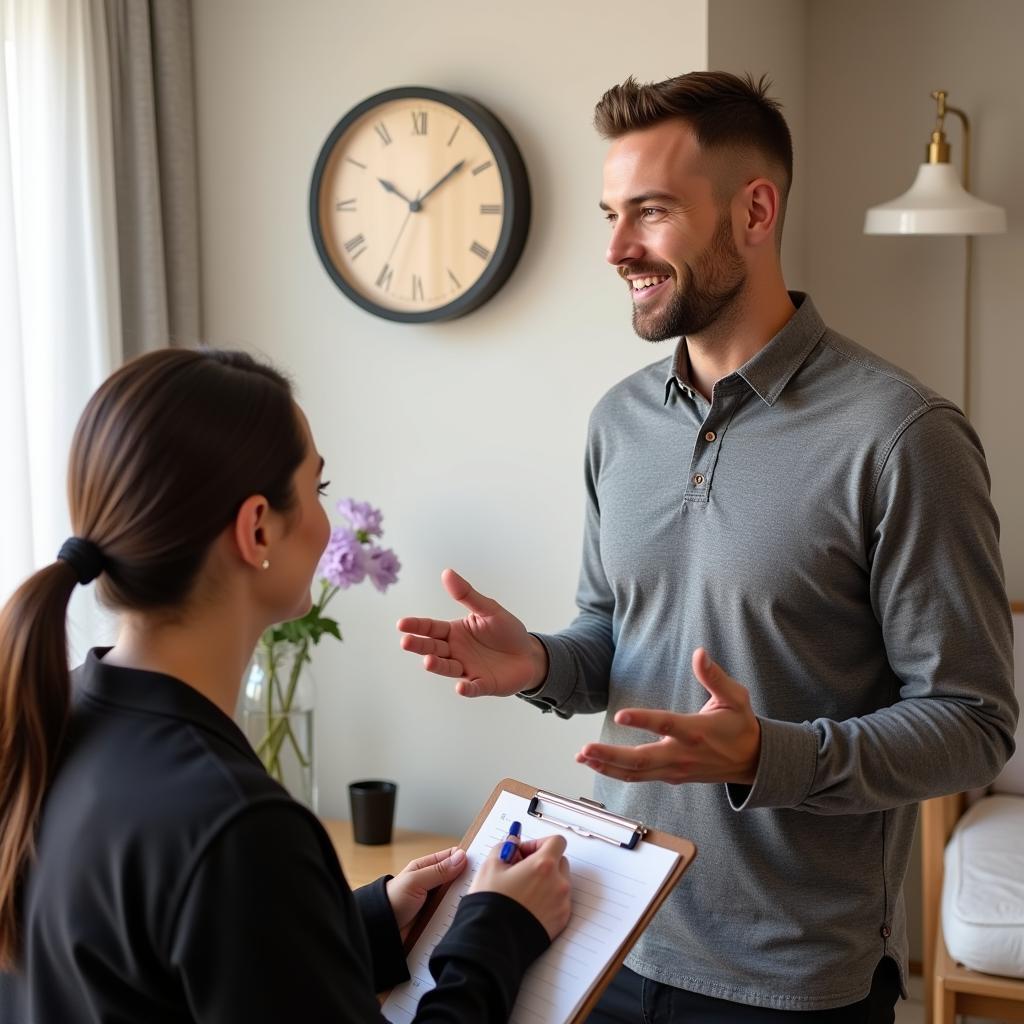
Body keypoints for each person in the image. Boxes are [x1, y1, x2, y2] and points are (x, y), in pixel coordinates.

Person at [397, 72, 1018, 1021]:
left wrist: (769, 754)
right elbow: (614, 642)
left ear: (756, 210)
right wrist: (538, 664)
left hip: (792, 975)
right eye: (612, 213)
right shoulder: (621, 423)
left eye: (649, 212)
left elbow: (972, 723)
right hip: (607, 926)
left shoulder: (903, 436)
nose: (615, 248)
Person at [0, 347, 572, 1023]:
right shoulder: (234, 824)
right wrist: (496, 929)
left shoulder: (44, 717)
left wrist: (362, 923)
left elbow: (168, 976)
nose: (325, 517)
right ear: (257, 528)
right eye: (317, 489)